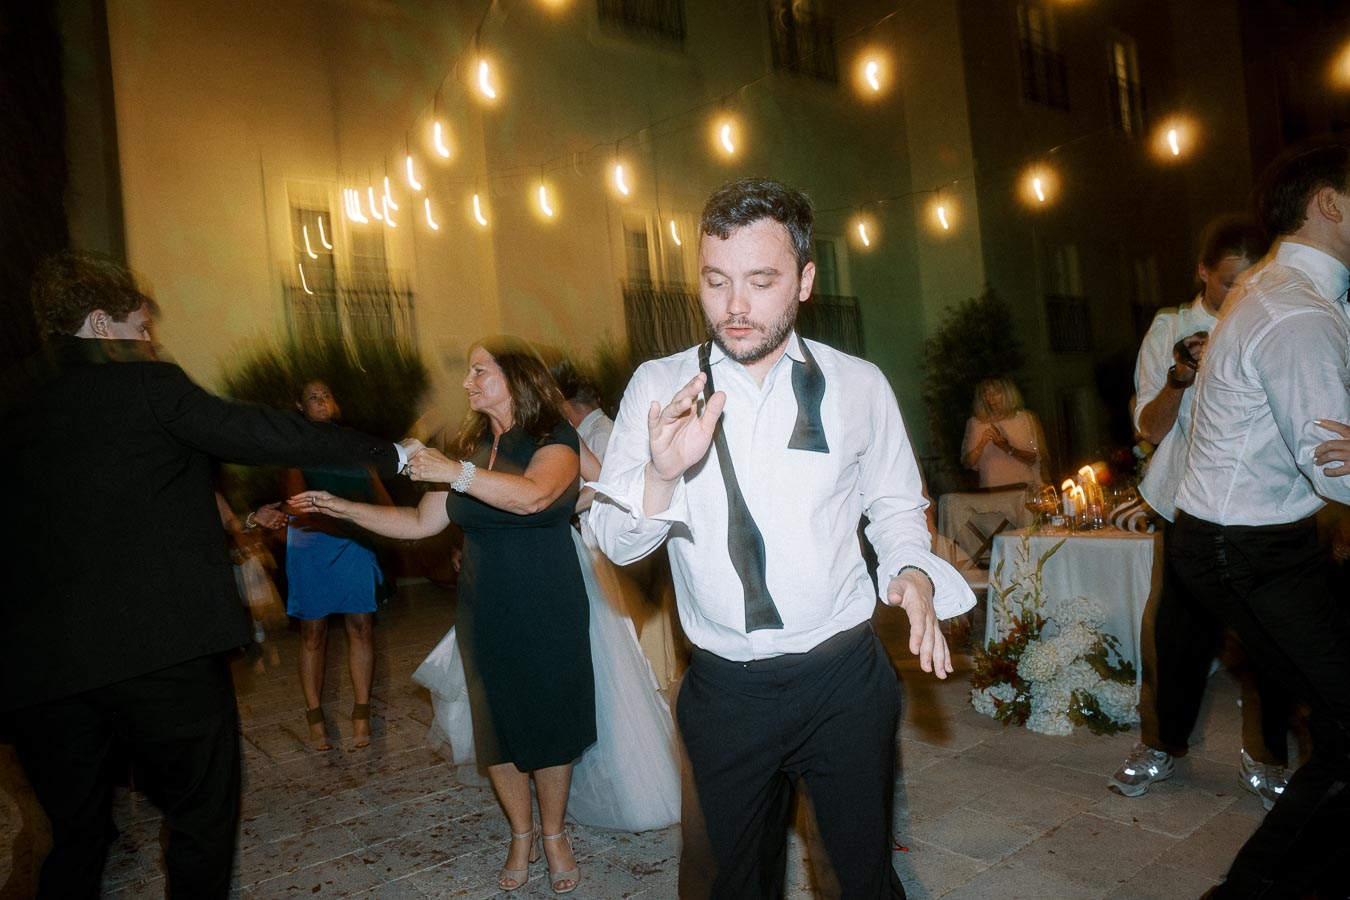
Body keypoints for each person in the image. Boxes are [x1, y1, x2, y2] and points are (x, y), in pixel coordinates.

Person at [589, 177, 975, 898]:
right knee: (730, 884)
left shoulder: (859, 385)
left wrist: (913, 573)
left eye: (761, 282)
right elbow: (615, 542)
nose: (734, 306)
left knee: (860, 876)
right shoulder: (657, 387)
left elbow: (894, 503)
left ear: (804, 281)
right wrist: (663, 474)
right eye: (716, 281)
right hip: (723, 689)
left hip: (844, 679)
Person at [0, 251, 415, 898]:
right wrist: (390, 452)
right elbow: (267, 433)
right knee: (200, 817)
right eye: (142, 328)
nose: (151, 341)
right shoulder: (147, 385)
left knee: (73, 837)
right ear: (102, 323)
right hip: (161, 649)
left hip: (38, 673)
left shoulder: (10, 396)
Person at [292, 336, 595, 895]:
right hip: (484, 606)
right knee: (497, 722)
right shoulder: (473, 449)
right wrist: (341, 509)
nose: (467, 381)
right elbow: (418, 522)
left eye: (480, 370)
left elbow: (532, 496)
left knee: (550, 719)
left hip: (548, 600)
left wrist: (452, 470)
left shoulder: (554, 438)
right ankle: (521, 833)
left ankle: (554, 834)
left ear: (515, 378)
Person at [1169, 142, 1350, 899]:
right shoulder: (1294, 312)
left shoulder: (1289, 293)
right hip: (1244, 550)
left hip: (1256, 541)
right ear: (1329, 203)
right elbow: (1332, 461)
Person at [1110, 215, 1292, 806]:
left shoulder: (1272, 320)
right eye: (1226, 284)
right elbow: (1151, 429)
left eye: (1248, 283)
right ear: (1202, 274)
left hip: (1263, 502)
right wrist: (1180, 377)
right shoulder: (1172, 327)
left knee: (1274, 639)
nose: (1234, 296)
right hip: (1188, 504)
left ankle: (1269, 758)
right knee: (1178, 634)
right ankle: (1162, 745)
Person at [250, 380, 395, 750]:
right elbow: (296, 500)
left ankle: (361, 713)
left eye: (327, 394)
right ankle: (315, 718)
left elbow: (378, 491)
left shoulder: (352, 441)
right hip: (313, 541)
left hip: (354, 538)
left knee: (361, 626)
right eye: (313, 397)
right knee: (313, 632)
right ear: (301, 407)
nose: (322, 400)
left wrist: (392, 522)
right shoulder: (297, 444)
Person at [960, 377, 1049, 488]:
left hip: (1025, 491)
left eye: (996, 393)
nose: (990, 399)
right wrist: (981, 444)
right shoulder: (975, 423)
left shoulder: (1025, 419)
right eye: (986, 394)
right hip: (992, 492)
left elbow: (1036, 458)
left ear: (1008, 394)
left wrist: (1007, 448)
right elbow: (967, 463)